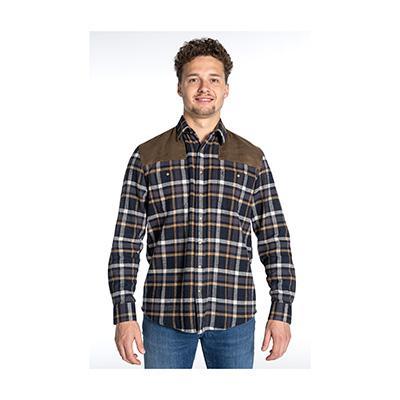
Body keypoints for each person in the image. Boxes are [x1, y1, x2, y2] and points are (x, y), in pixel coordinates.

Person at [107, 37, 296, 369]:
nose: (204, 88)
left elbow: (274, 238)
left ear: (226, 89)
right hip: (164, 318)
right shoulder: (147, 156)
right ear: (179, 87)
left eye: (214, 79)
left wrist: (281, 311)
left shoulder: (251, 158)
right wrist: (124, 314)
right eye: (193, 79)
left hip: (233, 317)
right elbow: (125, 242)